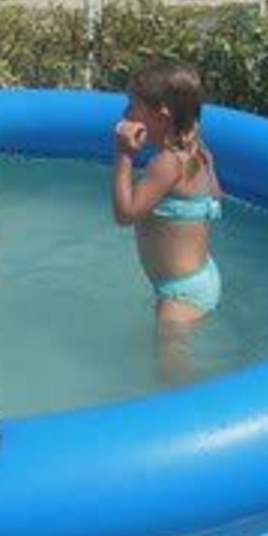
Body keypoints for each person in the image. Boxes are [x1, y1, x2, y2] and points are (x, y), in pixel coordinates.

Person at [110, 61, 223, 383]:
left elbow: (125, 214)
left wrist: (123, 156)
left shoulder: (167, 164)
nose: (125, 112)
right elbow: (216, 196)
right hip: (202, 275)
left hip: (181, 296)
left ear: (160, 115)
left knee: (172, 377)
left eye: (133, 106)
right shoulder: (195, 151)